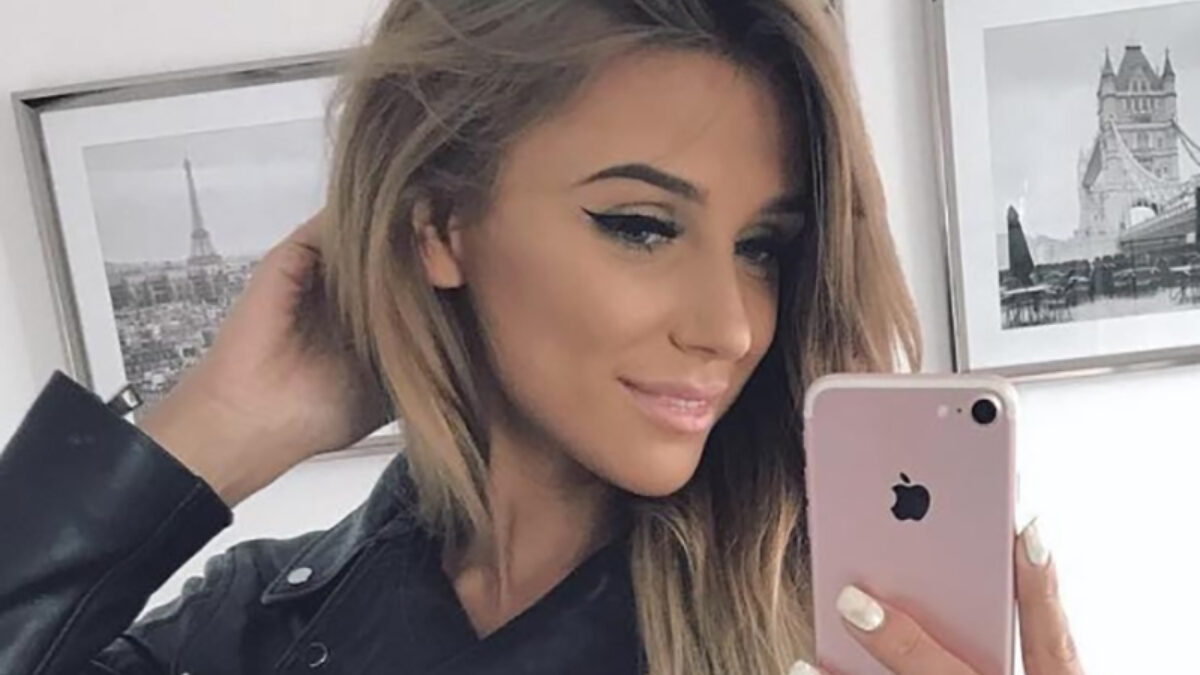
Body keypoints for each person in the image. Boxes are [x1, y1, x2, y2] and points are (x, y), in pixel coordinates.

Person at [0, 1, 1084, 674]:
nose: (731, 326)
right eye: (641, 225)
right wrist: (218, 428)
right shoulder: (249, 627)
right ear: (441, 224)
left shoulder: (833, 635)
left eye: (763, 245)